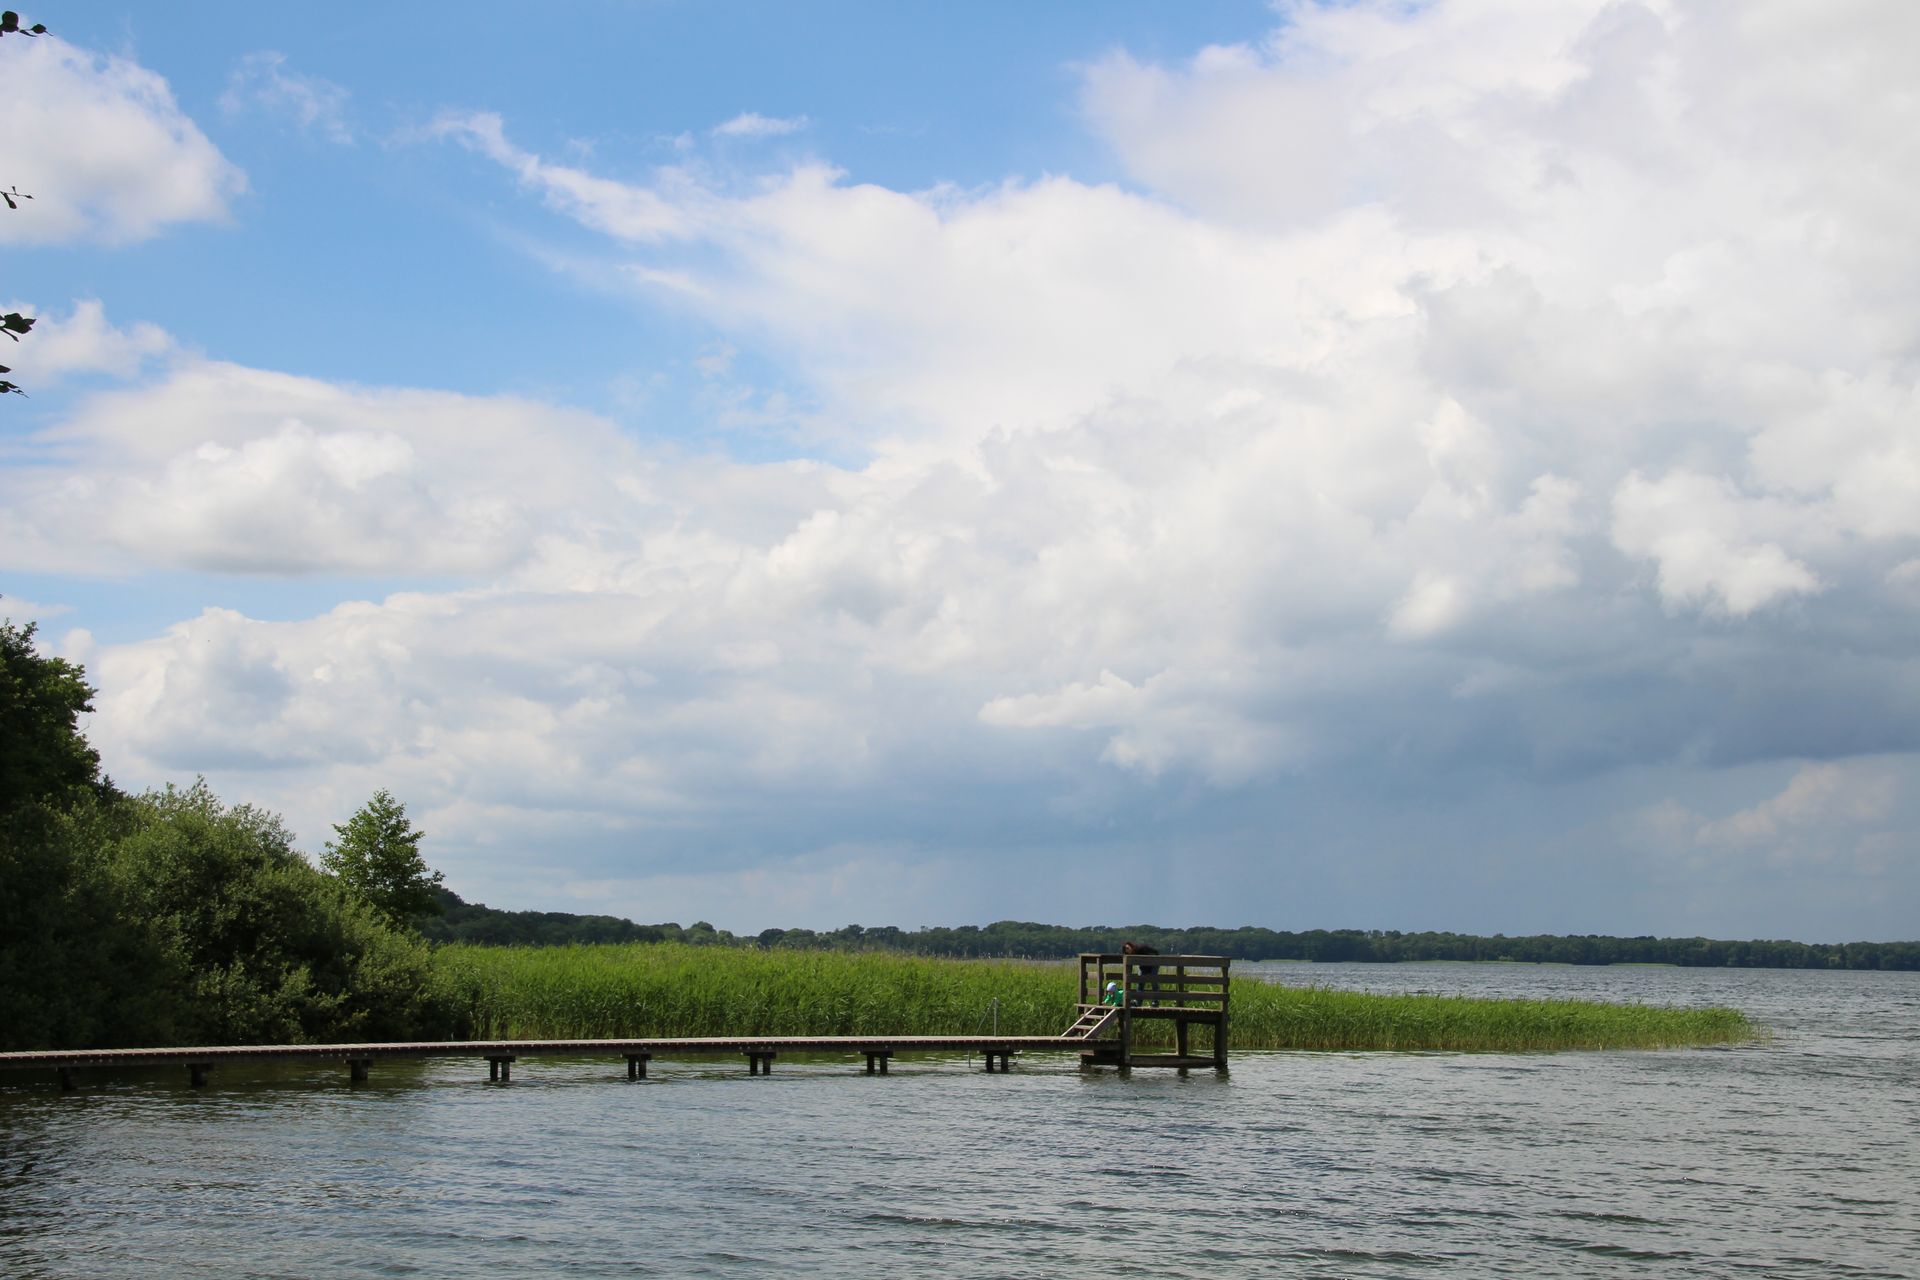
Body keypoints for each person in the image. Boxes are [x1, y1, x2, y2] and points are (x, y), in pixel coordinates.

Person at [1122, 941, 1161, 1007]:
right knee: (1140, 983)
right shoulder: (1130, 955)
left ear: (1131, 946)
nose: (1128, 950)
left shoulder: (1140, 947)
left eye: (1128, 948)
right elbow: (1129, 964)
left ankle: (1155, 1002)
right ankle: (1138, 1002)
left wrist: (1155, 959)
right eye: (1126, 949)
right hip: (1143, 967)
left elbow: (1155, 951)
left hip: (1153, 964)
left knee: (1154, 982)